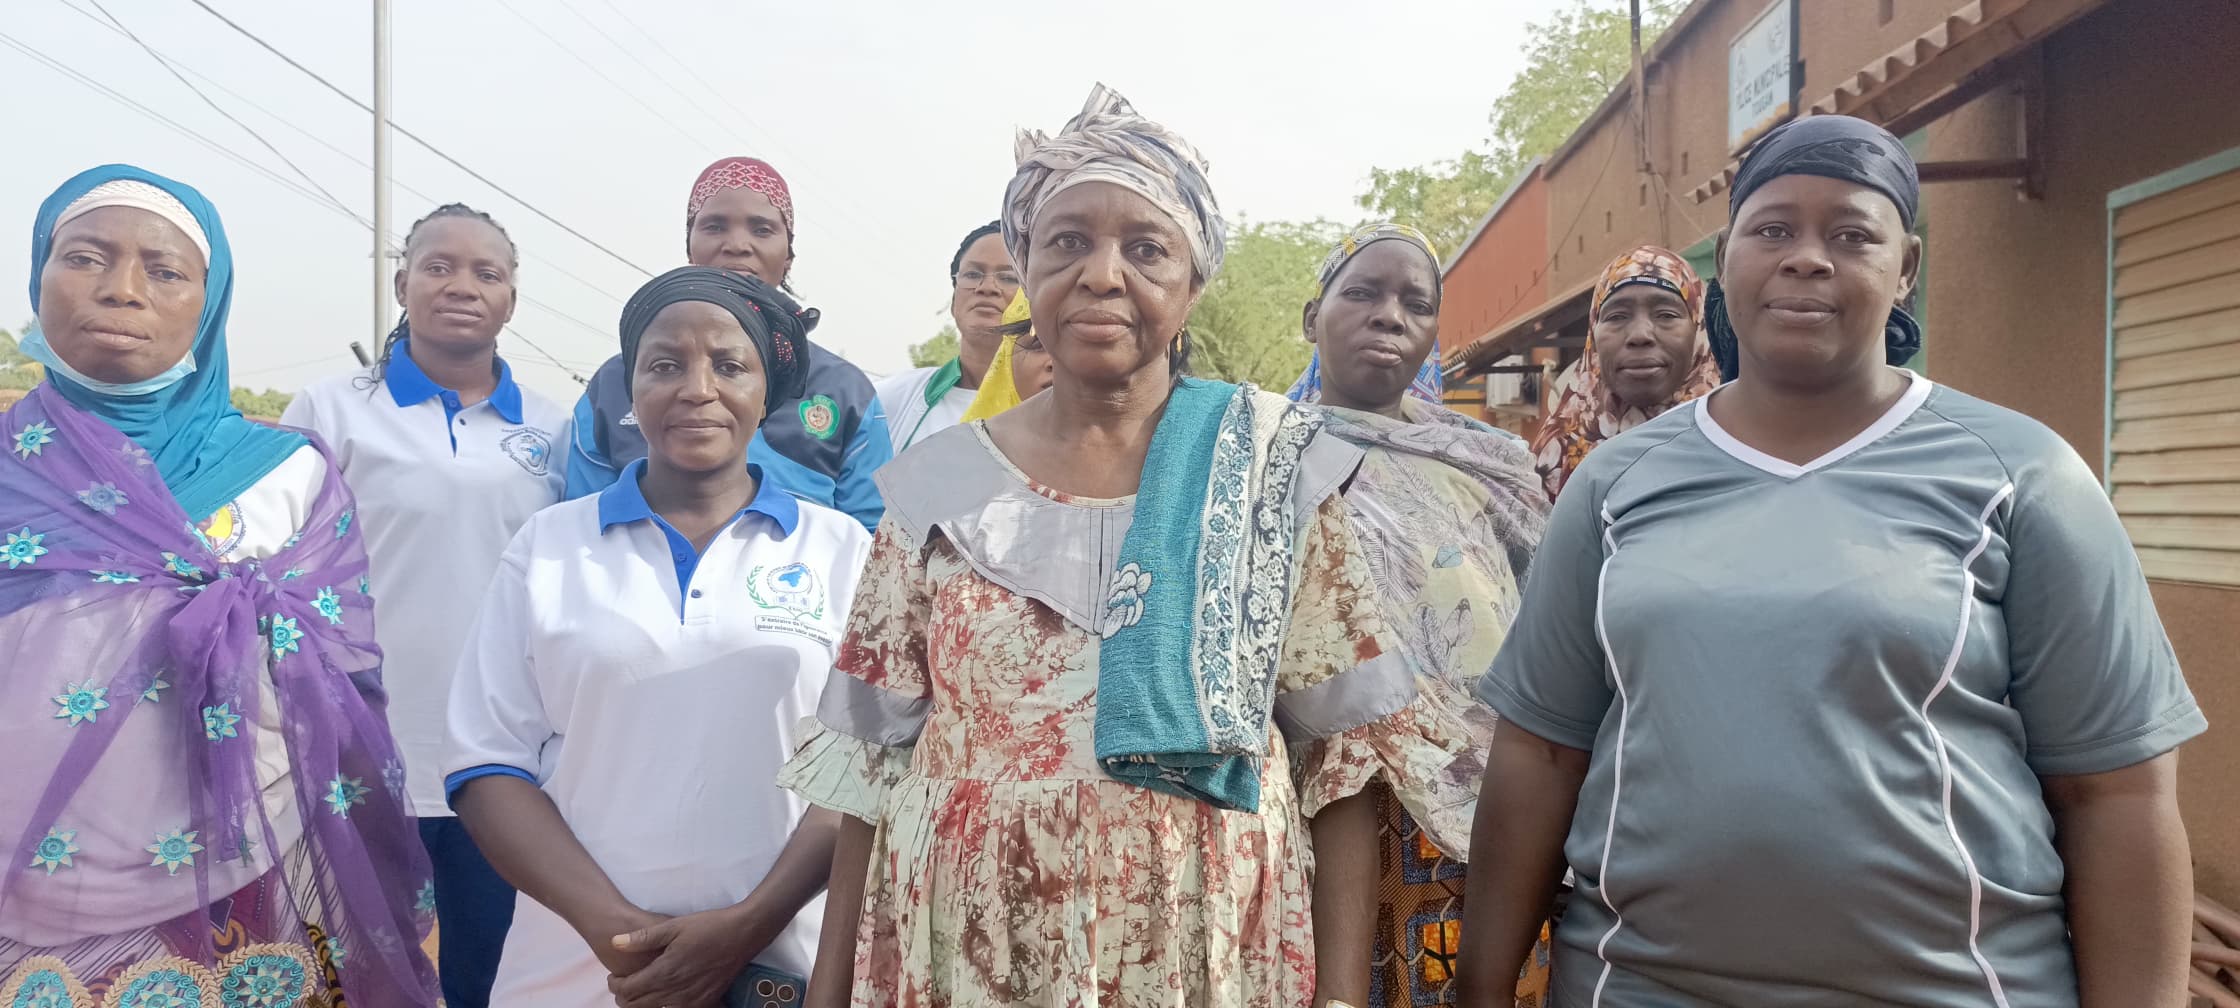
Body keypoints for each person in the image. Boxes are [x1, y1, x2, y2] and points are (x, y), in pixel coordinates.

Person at [1463, 115, 2207, 1007]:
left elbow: (2114, 795)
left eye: (1852, 234)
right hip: (1637, 986)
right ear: (1723, 265)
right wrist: (1482, 987)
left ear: (1908, 270)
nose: (1807, 257)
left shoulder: (2021, 474)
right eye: (1772, 229)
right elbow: (1539, 756)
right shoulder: (1617, 482)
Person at [780, 84, 1473, 1008]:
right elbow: (870, 764)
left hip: (1206, 954)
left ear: (1191, 285)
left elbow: (1337, 767)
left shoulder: (1266, 470)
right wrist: (832, 993)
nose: (1104, 274)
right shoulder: (938, 488)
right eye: (1068, 242)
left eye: (1147, 248)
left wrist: (1342, 998)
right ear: (1025, 269)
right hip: (971, 953)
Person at [0, 164, 436, 1006]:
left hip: (251, 868)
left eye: (163, 271)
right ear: (37, 275)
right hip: (18, 884)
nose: (122, 290)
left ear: (211, 300)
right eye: (86, 258)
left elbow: (345, 677)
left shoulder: (287, 476)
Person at [447, 267, 865, 1008]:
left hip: (782, 972)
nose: (696, 388)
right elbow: (488, 766)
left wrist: (745, 928)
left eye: (730, 365)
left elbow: (865, 772)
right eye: (665, 364)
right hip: (579, 977)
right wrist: (621, 937)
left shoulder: (841, 552)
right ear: (630, 390)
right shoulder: (549, 547)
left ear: (765, 393)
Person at [281, 202, 571, 1008]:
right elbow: (283, 576)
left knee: (487, 970)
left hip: (507, 759)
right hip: (362, 746)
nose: (461, 286)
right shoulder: (331, 410)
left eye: (488, 272)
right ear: (402, 282)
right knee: (358, 975)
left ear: (513, 299)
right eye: (438, 266)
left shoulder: (555, 429)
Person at [1287, 223, 1552, 1008]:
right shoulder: (1267, 458)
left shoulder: (1486, 461)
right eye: (1362, 292)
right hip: (1334, 807)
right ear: (1313, 317)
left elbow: (1540, 626)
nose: (1388, 316)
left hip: (1499, 799)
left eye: (1415, 302)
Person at [566, 156, 893, 531]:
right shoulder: (617, 380)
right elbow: (580, 531)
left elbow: (874, 547)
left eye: (762, 229)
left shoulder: (844, 389)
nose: (737, 245)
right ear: (689, 246)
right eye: (714, 226)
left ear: (788, 254)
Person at [1525, 245, 1721, 500]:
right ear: (1593, 339)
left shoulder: (1741, 441)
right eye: (1617, 316)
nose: (1640, 335)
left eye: (1666, 314)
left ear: (1699, 330)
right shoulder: (1557, 453)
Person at [877, 221, 1016, 450]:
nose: (987, 287)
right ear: (953, 302)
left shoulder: (1061, 413)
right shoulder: (893, 399)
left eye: (1009, 277)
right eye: (973, 274)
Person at [957, 290, 1053, 422]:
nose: (1057, 361)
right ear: (1007, 362)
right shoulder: (965, 442)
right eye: (1040, 342)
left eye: (1085, 342)